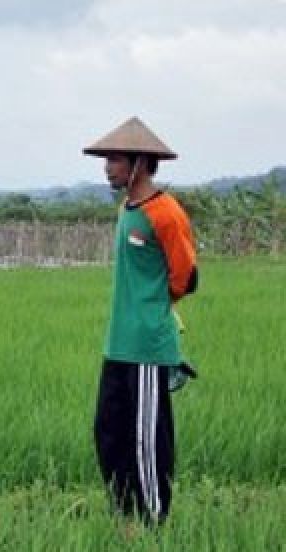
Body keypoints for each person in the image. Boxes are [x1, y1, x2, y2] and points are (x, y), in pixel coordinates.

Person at [83, 117, 198, 527]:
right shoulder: (127, 209)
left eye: (114, 159)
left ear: (140, 163)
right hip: (118, 343)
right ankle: (124, 516)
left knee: (147, 440)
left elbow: (186, 276)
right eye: (107, 159)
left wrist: (154, 310)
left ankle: (154, 523)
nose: (107, 167)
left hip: (147, 346)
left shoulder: (165, 214)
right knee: (108, 430)